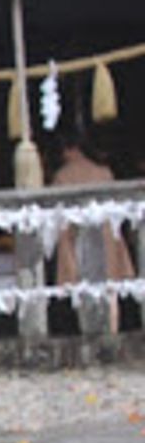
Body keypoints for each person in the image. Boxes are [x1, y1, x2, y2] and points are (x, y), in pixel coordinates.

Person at [50, 130, 134, 331]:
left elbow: (57, 215)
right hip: (107, 236)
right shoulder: (104, 173)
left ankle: (89, 331)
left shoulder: (62, 176)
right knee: (110, 290)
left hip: (77, 237)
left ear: (69, 150)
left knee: (84, 288)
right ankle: (112, 330)